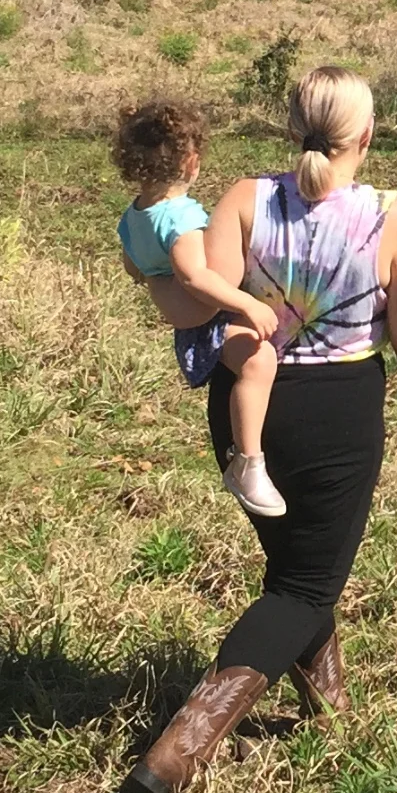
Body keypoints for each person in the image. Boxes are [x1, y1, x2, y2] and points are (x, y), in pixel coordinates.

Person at [123, 65, 397, 793]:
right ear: (367, 134)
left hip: (248, 412)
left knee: (301, 569)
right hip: (338, 415)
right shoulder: (394, 215)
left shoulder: (243, 197)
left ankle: (328, 712)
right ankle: (181, 748)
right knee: (305, 583)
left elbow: (208, 305)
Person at [113, 99, 286, 518]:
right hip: (209, 318)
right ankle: (248, 461)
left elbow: (132, 266)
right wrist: (247, 302)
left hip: (190, 323)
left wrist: (157, 281)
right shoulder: (181, 217)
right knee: (258, 362)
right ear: (191, 162)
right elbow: (195, 277)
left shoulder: (134, 214)